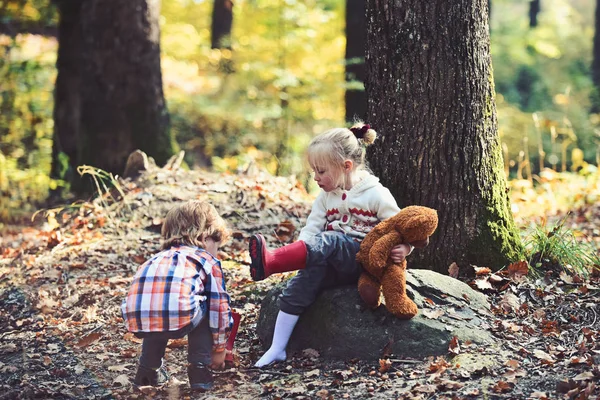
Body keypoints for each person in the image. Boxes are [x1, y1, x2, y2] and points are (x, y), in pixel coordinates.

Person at [248, 123, 413, 367]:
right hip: (331, 262)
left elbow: (401, 227)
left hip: (361, 259)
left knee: (333, 240)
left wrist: (406, 248)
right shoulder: (326, 198)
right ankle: (278, 348)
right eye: (314, 171)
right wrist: (304, 258)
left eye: (321, 171)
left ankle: (272, 261)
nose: (315, 177)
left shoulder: (376, 193)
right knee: (300, 285)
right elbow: (312, 229)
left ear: (346, 166)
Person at [121, 200, 233, 391]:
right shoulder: (207, 260)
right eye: (217, 243)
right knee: (206, 303)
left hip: (136, 319)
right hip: (179, 315)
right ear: (205, 237)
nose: (217, 252)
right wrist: (220, 349)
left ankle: (148, 370)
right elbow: (219, 307)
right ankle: (199, 369)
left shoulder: (156, 259)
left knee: (160, 309)